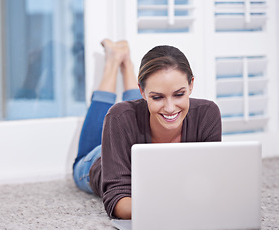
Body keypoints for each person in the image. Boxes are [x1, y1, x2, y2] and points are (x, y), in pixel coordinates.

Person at [73, 39, 222, 220]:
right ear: (142, 92)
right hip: (101, 160)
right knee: (128, 113)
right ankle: (113, 63)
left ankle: (127, 64)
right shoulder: (119, 117)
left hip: (135, 127)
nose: (169, 107)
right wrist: (164, 209)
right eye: (158, 97)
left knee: (149, 110)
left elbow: (208, 181)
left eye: (179, 94)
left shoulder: (207, 114)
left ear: (191, 85)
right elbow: (116, 197)